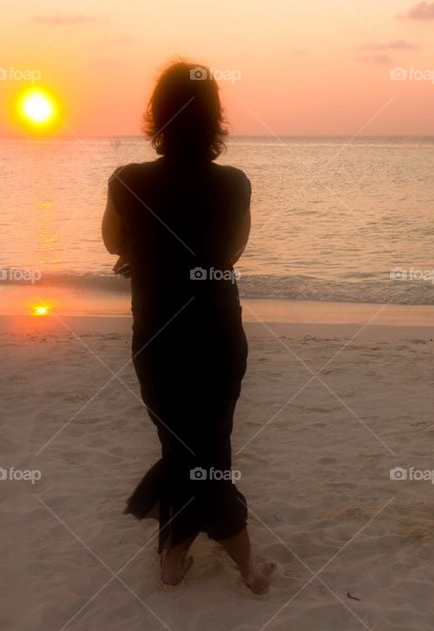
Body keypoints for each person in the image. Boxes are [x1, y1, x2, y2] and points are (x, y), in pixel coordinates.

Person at [101, 59, 272, 593]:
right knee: (209, 445)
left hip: (157, 334)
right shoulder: (234, 184)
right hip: (218, 333)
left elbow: (112, 242)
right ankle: (244, 565)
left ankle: (174, 560)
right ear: (215, 116)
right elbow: (231, 251)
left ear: (157, 115)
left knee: (182, 447)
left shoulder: (128, 180)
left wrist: (147, 253)